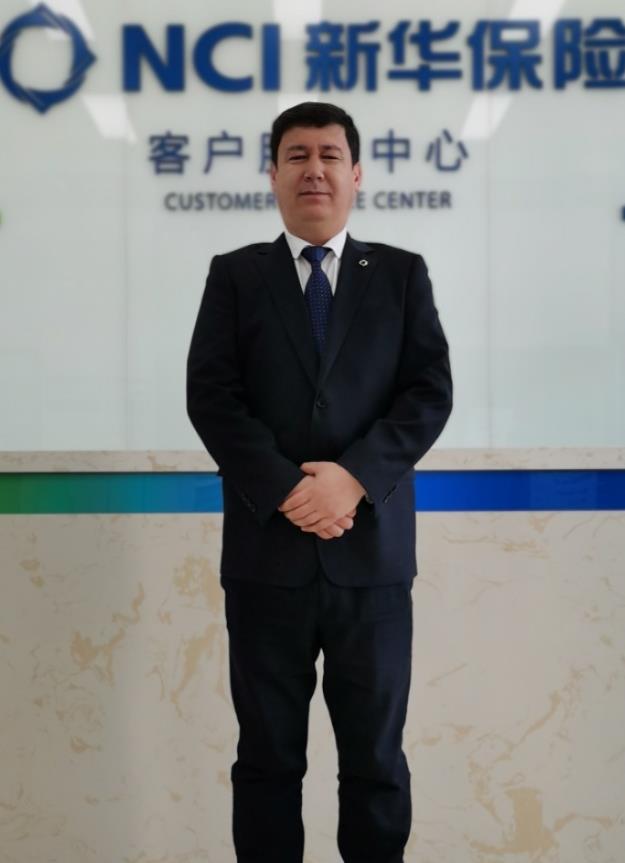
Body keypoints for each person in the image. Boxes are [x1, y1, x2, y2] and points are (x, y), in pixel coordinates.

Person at [186, 101, 452, 863]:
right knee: (267, 760)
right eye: (296, 155)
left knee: (375, 760)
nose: (314, 170)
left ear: (355, 173)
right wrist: (287, 490)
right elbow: (212, 396)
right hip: (266, 558)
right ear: (271, 173)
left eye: (329, 155)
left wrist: (353, 480)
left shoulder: (399, 274)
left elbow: (427, 392)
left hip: (371, 559)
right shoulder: (236, 275)